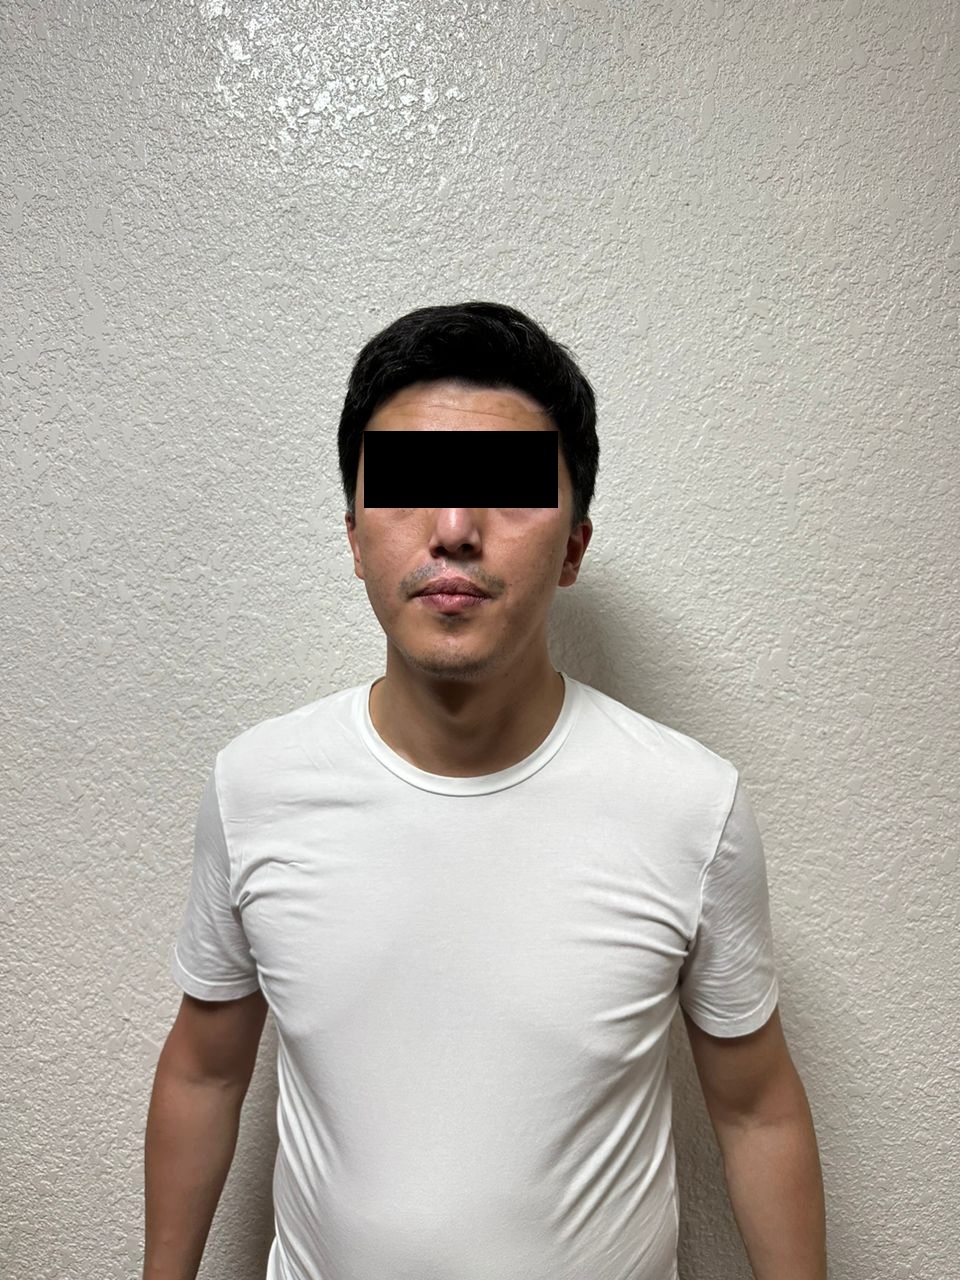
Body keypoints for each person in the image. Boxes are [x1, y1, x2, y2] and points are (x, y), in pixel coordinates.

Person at [144, 301, 822, 1280]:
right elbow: (204, 1071)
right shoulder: (256, 787)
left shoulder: (689, 805)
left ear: (574, 545)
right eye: (411, 487)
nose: (455, 530)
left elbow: (757, 1109)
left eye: (505, 490)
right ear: (353, 536)